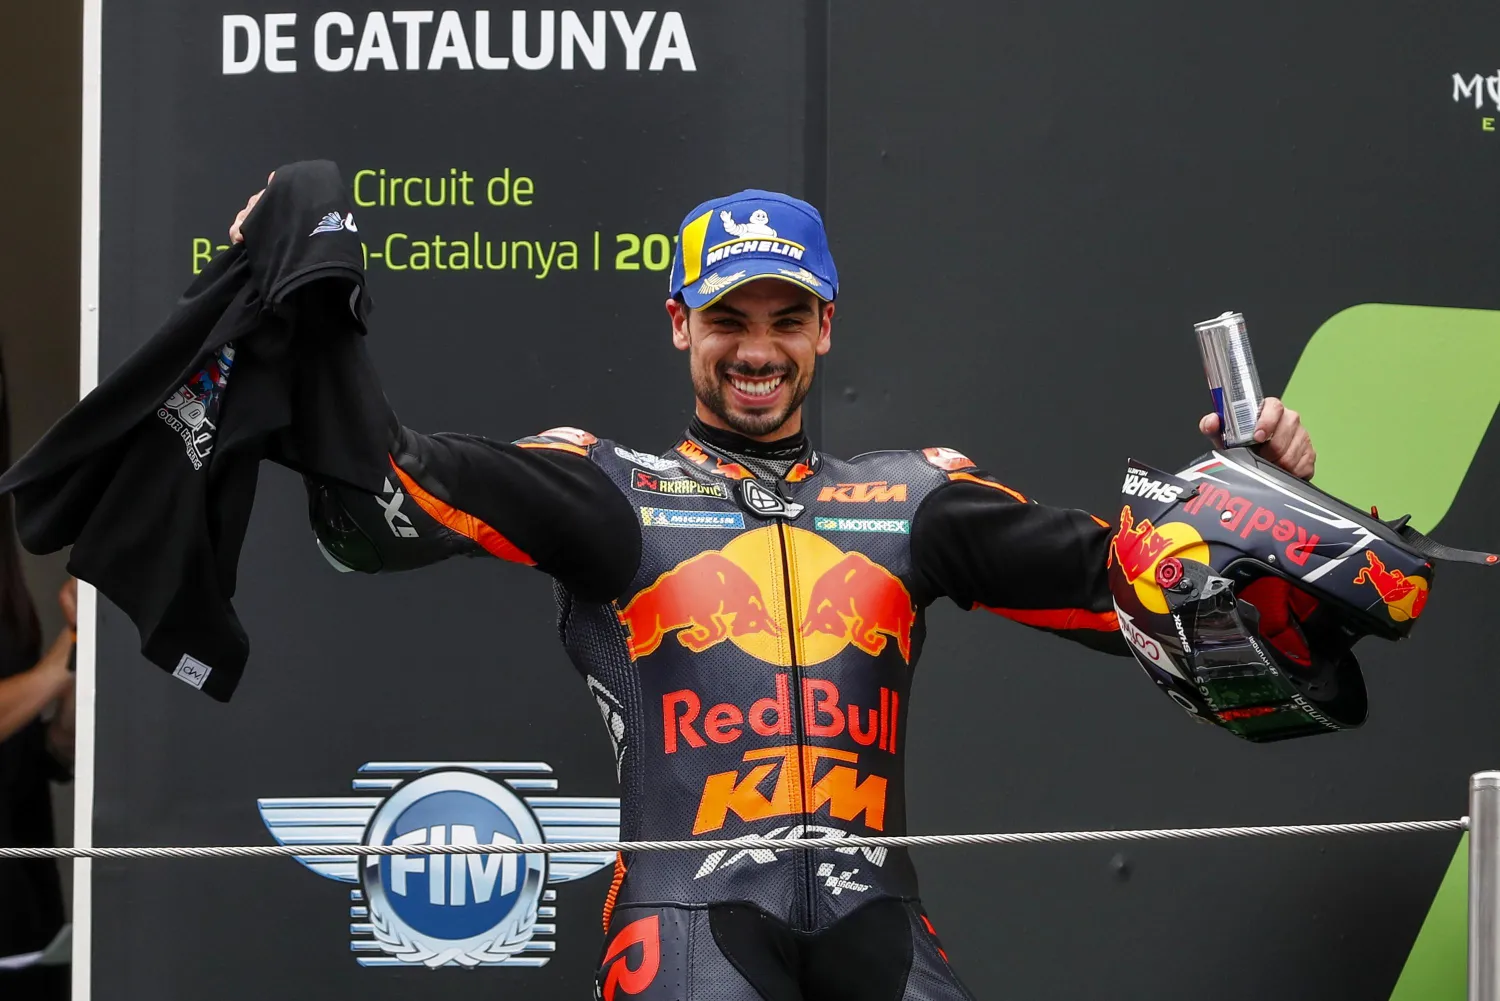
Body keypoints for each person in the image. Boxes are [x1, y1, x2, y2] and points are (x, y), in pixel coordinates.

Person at [228, 178, 1315, 1000]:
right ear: (679, 323)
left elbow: (1144, 592)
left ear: (825, 326)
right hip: (686, 937)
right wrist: (311, 304)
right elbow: (390, 495)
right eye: (728, 319)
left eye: (785, 319)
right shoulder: (608, 490)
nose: (758, 350)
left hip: (881, 929)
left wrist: (1261, 506)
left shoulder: (914, 500)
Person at [0, 342, 76, 1001]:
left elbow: (50, 752)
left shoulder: (8, 582)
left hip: (31, 921)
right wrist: (64, 655)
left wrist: (85, 658)